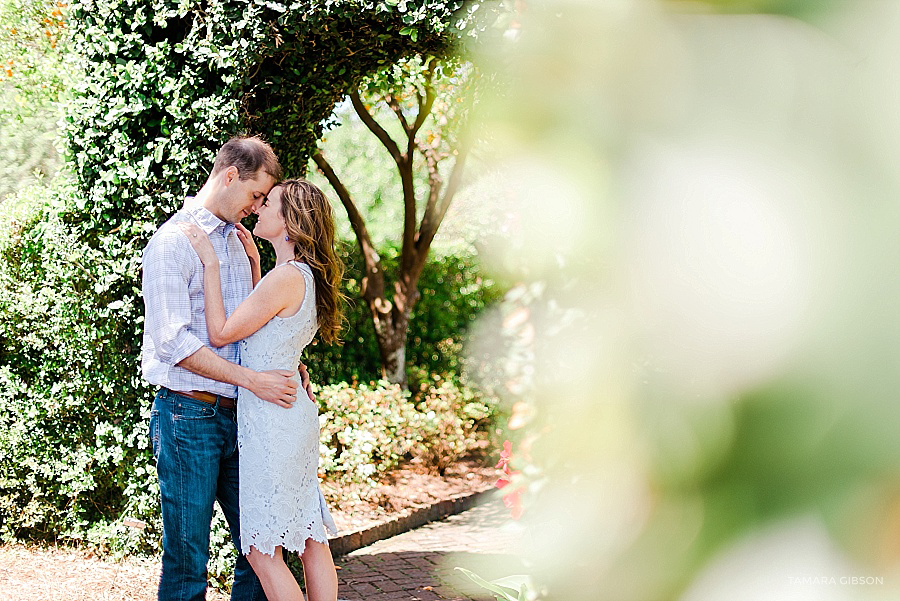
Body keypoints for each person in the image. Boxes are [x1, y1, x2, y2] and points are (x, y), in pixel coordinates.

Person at [142, 136, 311, 601]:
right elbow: (173, 342)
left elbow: (253, 327)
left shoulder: (240, 245)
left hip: (245, 420)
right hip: (187, 417)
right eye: (257, 195)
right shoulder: (172, 243)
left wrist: (287, 365)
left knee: (261, 548)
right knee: (187, 559)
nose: (258, 208)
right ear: (230, 175)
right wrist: (253, 380)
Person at [177, 178, 343, 601]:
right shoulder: (297, 275)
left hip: (272, 418)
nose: (259, 208)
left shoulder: (284, 278)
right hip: (289, 411)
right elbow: (271, 333)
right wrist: (254, 262)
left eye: (268, 204)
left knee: (261, 548)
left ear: (288, 223)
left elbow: (222, 332)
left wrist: (211, 264)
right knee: (308, 536)